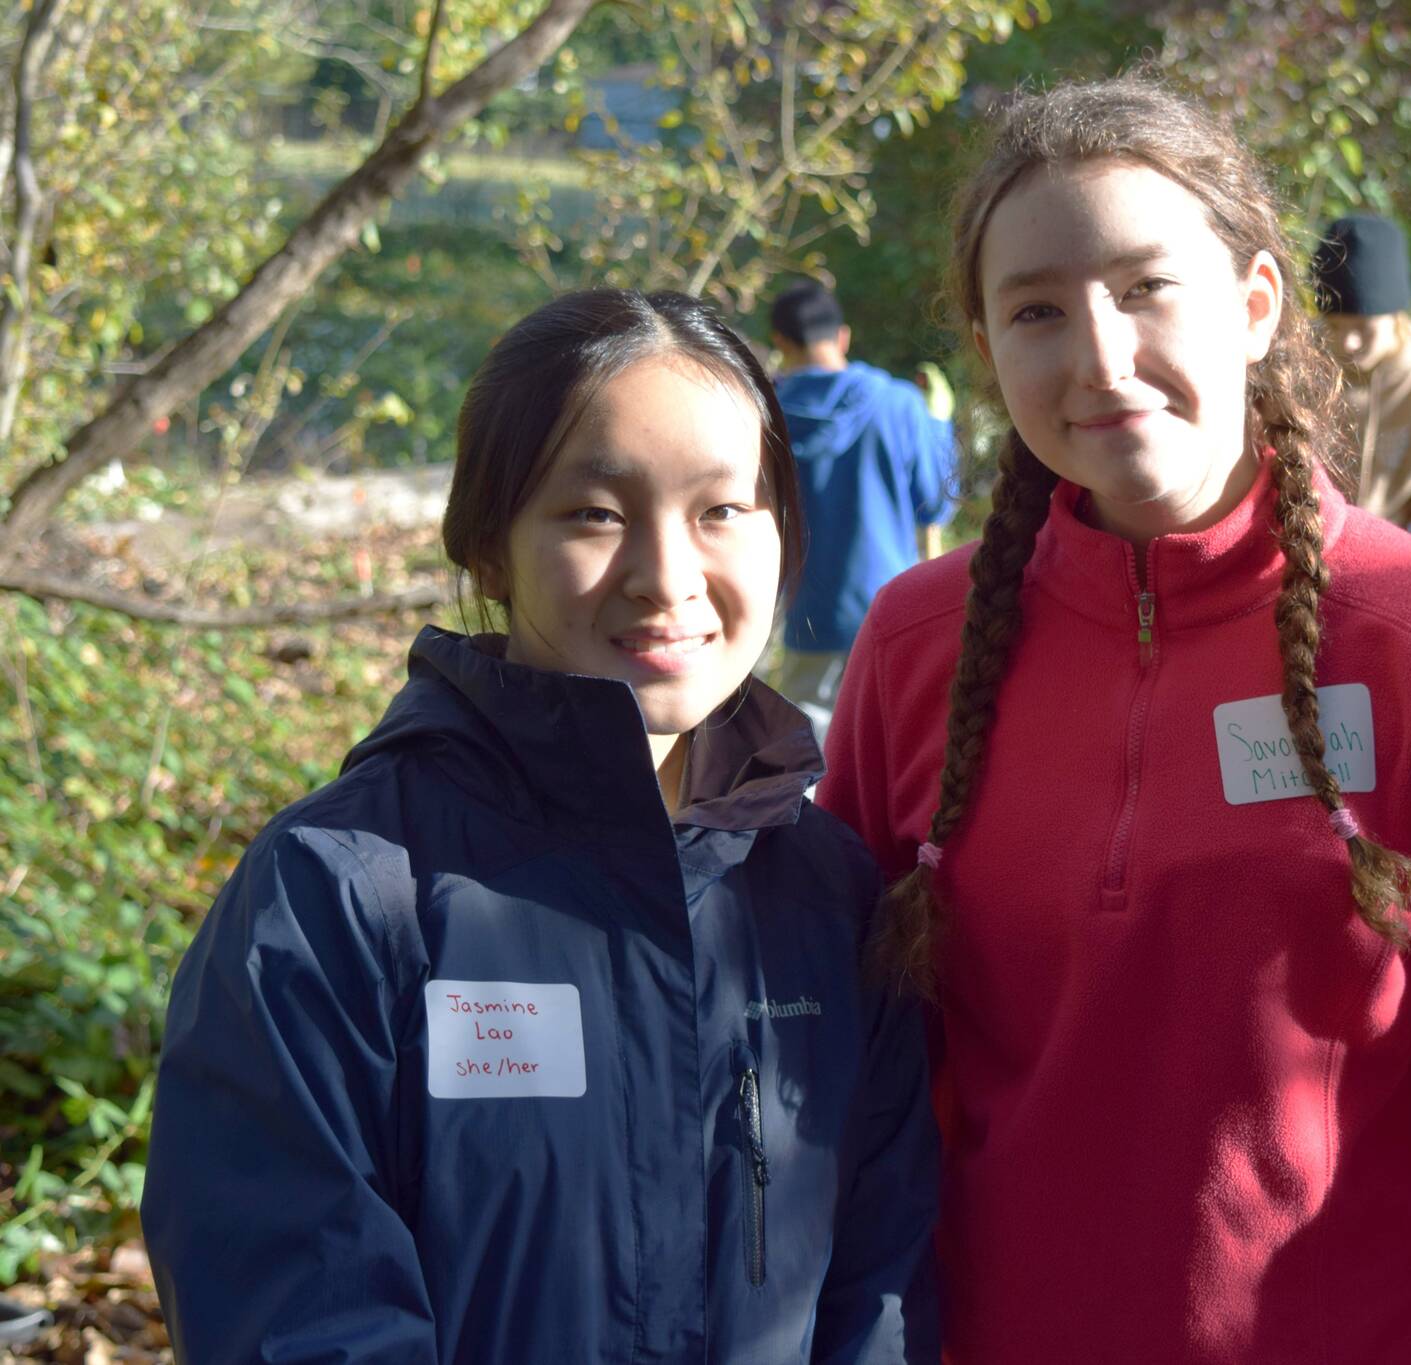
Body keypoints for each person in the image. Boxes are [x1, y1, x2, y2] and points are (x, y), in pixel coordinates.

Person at [818, 76, 1411, 1363]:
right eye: (1036, 309)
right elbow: (848, 1087)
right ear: (985, 350)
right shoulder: (913, 650)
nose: (1099, 355)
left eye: (1146, 288)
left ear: (1255, 306)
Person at [142, 290, 940, 1364]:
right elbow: (294, 1314)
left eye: (721, 511)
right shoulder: (339, 898)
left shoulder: (827, 896)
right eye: (594, 515)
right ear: (487, 550)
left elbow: (878, 1297)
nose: (667, 579)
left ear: (783, 534)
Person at [768, 280, 954, 743]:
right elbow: (935, 505)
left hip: (810, 616)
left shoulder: (762, 413)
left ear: (781, 342)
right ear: (843, 336)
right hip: (896, 610)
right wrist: (938, 425)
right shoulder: (899, 403)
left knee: (807, 769)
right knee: (899, 753)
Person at [1310, 213, 1411, 557]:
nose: (1348, 343)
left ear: (1395, 316)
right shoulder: (1300, 362)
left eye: (1362, 327)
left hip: (1384, 575)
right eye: (1335, 326)